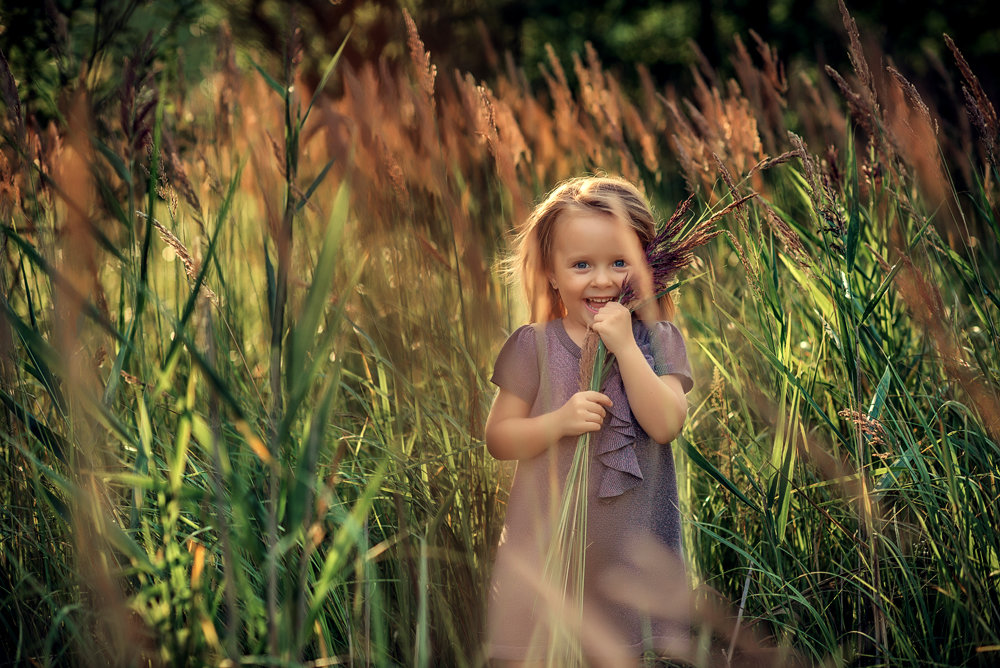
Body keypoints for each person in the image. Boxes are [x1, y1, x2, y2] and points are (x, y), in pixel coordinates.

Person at [484, 175, 694, 665]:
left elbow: (666, 424)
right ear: (553, 273)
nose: (602, 281)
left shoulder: (656, 341)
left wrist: (624, 347)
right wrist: (555, 423)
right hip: (549, 551)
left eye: (620, 263)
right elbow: (499, 437)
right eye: (581, 265)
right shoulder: (532, 345)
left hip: (632, 553)